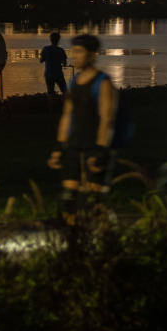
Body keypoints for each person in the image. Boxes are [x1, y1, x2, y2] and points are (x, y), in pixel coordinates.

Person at [47, 34, 118, 222]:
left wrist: (101, 150)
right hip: (73, 146)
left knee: (94, 202)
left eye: (79, 52)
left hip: (93, 147)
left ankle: (108, 235)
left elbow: (106, 119)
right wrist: (59, 147)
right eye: (73, 52)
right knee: (68, 200)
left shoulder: (102, 82)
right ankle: (74, 241)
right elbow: (67, 116)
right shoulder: (74, 82)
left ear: (92, 55)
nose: (74, 56)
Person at [39, 31, 69, 99]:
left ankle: (51, 108)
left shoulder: (46, 49)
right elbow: (64, 63)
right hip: (58, 74)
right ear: (58, 40)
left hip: (49, 74)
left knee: (50, 93)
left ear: (50, 39)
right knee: (65, 91)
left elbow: (41, 61)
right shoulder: (61, 50)